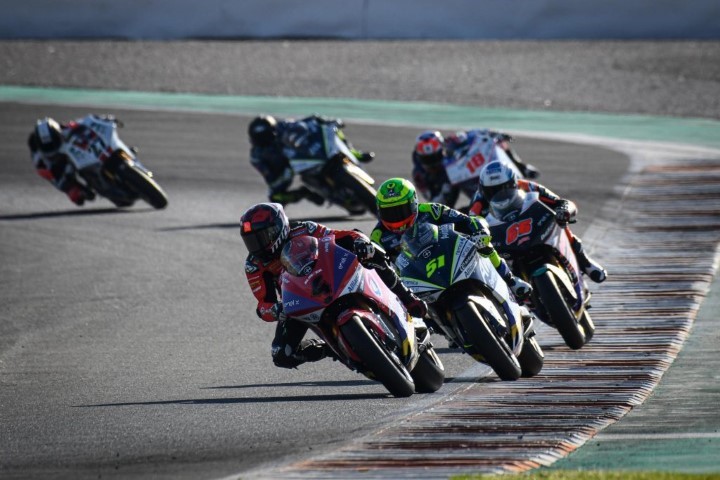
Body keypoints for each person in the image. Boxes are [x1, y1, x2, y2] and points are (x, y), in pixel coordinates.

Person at [240, 202, 426, 369]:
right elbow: (263, 303)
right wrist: (274, 310)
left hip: (332, 275)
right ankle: (331, 348)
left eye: (262, 237)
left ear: (278, 228)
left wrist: (360, 241)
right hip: (300, 300)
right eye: (251, 241)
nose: (257, 246)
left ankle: (407, 297)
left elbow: (342, 236)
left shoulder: (305, 229)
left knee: (372, 251)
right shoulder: (254, 265)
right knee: (281, 354)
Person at [370, 177, 533, 301]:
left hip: (447, 256)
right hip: (414, 278)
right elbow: (376, 269)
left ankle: (510, 281)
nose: (396, 218)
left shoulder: (430, 210)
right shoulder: (377, 236)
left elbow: (466, 220)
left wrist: (479, 230)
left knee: (482, 243)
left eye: (401, 210)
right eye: (389, 212)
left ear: (413, 203)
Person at [471, 161, 607, 283]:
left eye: (504, 188)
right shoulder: (478, 202)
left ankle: (585, 262)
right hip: (504, 235)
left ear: (513, 182)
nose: (500, 195)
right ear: (483, 190)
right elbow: (470, 224)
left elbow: (560, 202)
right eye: (492, 191)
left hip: (530, 223)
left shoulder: (526, 186)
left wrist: (564, 211)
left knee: (560, 220)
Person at [247, 114, 374, 207]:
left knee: (332, 129)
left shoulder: (282, 127)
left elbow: (305, 123)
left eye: (270, 135)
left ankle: (353, 152)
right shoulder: (257, 157)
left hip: (304, 157)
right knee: (276, 197)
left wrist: (320, 120)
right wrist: (287, 172)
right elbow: (271, 180)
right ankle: (306, 193)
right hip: (286, 172)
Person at [412, 129, 540, 210]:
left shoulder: (451, 141)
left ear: (442, 149)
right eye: (427, 160)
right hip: (448, 190)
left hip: (470, 172)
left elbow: (474, 134)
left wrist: (494, 134)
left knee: (500, 144)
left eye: (435, 157)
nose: (432, 164)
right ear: (419, 156)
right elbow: (433, 201)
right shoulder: (419, 175)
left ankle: (521, 167)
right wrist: (445, 190)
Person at [28, 116, 98, 206]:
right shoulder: (38, 158)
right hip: (61, 164)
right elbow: (53, 179)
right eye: (46, 147)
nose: (50, 148)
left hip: (73, 151)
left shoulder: (64, 128)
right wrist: (69, 190)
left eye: (52, 144)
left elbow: (83, 124)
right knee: (74, 193)